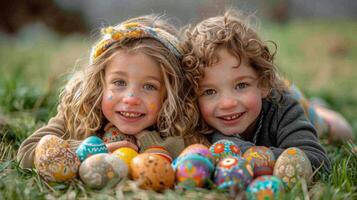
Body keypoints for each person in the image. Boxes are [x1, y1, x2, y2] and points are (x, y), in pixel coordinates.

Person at [17, 14, 207, 169]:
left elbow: (200, 154)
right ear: (100, 84)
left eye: (149, 86)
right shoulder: (79, 113)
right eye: (119, 82)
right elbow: (27, 153)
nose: (131, 98)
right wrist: (89, 151)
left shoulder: (181, 123)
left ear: (170, 92)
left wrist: (144, 141)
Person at [181, 9, 340, 172]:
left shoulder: (284, 108)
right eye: (209, 92)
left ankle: (321, 110)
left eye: (241, 85)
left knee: (340, 130)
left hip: (291, 99)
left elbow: (317, 161)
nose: (227, 103)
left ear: (263, 84)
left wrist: (250, 156)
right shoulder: (197, 122)